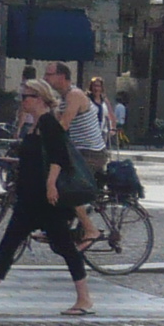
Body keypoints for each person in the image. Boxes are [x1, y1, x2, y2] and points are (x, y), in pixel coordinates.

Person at [0, 81, 93, 317]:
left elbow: (59, 156)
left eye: (26, 97)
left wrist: (50, 184)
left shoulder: (48, 122)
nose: (22, 101)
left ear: (39, 98)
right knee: (10, 245)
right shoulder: (36, 124)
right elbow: (39, 157)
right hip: (30, 198)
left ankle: (85, 299)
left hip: (45, 200)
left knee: (64, 247)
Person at [59, 72, 113, 247]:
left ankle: (90, 230)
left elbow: (64, 124)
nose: (97, 88)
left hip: (92, 152)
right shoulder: (67, 97)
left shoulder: (76, 96)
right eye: (95, 86)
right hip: (80, 149)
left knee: (70, 187)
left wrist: (112, 128)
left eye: (49, 75)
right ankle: (63, 224)